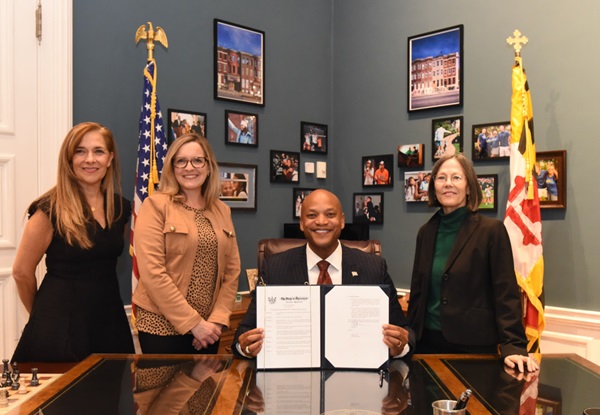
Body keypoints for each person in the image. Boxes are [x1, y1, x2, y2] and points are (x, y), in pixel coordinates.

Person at [232, 189, 412, 359]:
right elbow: (243, 334)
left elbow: (405, 333)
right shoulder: (274, 267)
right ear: (302, 223)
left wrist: (400, 347)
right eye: (312, 215)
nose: (321, 221)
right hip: (293, 380)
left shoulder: (374, 267)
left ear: (342, 221)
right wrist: (246, 347)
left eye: (330, 214)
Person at [11, 122, 134, 362]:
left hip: (110, 322)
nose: (90, 159)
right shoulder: (49, 210)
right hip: (60, 326)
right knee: (62, 399)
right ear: (69, 159)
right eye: (80, 151)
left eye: (98, 151)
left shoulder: (121, 208)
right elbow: (21, 272)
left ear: (109, 159)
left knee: (108, 396)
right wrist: (43, 315)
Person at [407, 153, 538, 373]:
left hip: (473, 346)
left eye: (456, 177)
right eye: (441, 178)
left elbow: (505, 293)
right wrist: (408, 335)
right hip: (426, 344)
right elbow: (418, 291)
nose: (448, 183)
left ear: (469, 187)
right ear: (433, 187)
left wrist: (514, 345)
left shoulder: (491, 231)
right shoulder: (426, 232)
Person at [132, 133, 241, 354]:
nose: (189, 167)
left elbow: (232, 272)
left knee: (205, 389)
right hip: (161, 328)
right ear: (172, 168)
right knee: (164, 390)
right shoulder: (156, 206)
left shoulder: (222, 210)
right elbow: (153, 273)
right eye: (181, 161)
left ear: (209, 166)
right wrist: (194, 324)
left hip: (209, 330)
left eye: (197, 160)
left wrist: (216, 322)